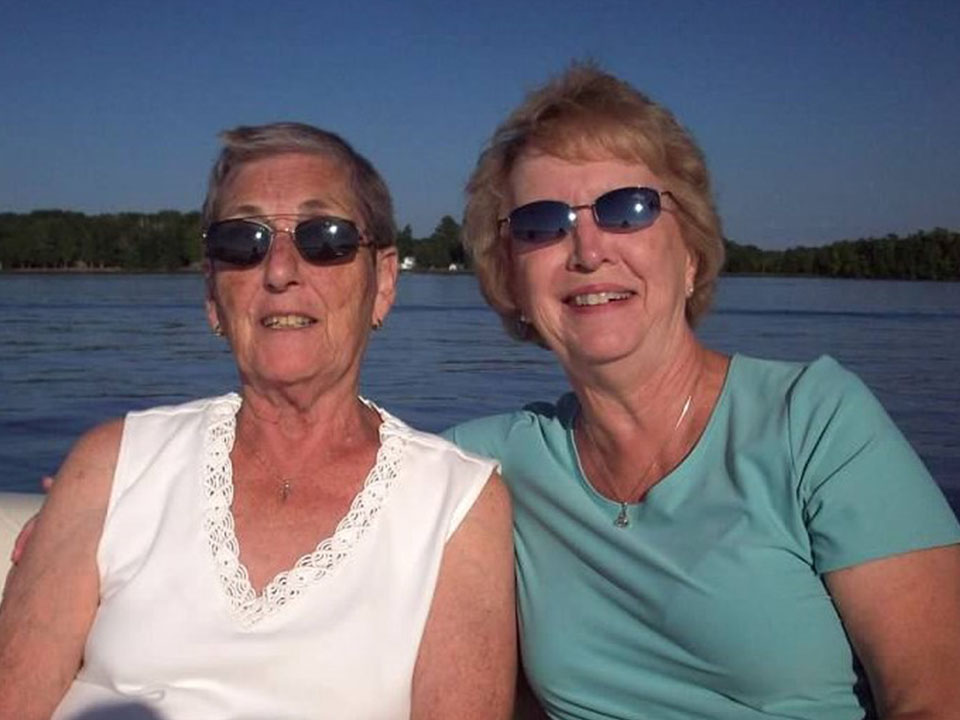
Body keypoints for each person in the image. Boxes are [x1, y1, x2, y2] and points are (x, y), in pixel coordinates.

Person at [444, 64, 960, 719]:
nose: (587, 249)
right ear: (511, 282)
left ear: (689, 254)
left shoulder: (817, 421)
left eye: (626, 208)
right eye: (542, 224)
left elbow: (937, 699)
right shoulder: (483, 467)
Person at [0, 122, 516, 720]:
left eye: (326, 238)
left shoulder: (456, 505)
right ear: (213, 295)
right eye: (243, 241)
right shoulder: (112, 462)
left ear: (384, 283)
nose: (279, 271)